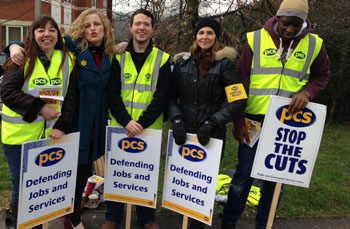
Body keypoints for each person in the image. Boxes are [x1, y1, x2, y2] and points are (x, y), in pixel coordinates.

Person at [221, 0, 331, 228]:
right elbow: (240, 82)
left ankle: (265, 224)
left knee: (275, 181)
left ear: (305, 22)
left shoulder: (315, 45)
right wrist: (238, 121)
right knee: (243, 175)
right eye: (286, 23)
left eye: (296, 24)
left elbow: (322, 76)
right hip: (253, 121)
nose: (290, 30)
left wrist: (307, 93)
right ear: (277, 18)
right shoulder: (255, 39)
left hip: (287, 125)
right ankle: (229, 223)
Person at [6, 9, 116, 229]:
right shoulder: (71, 48)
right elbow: (42, 38)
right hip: (70, 123)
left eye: (97, 24)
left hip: (92, 124)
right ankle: (39, 218)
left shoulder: (111, 55)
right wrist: (12, 45)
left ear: (105, 28)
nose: (92, 29)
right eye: (87, 25)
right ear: (80, 30)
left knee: (82, 173)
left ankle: (72, 213)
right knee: (50, 176)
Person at [169, 17, 247, 229]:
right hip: (183, 133)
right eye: (201, 32)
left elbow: (238, 99)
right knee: (184, 182)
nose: (205, 37)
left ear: (216, 37)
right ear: (195, 36)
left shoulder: (224, 66)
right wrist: (176, 119)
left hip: (211, 136)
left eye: (210, 33)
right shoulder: (182, 63)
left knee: (202, 184)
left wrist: (213, 122)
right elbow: (170, 96)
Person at [1, 15, 77, 229]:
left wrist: (62, 126)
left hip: (50, 137)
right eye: (41, 30)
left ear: (58, 35)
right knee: (22, 188)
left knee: (40, 188)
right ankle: (17, 224)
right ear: (33, 35)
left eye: (52, 30)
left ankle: (32, 224)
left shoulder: (67, 60)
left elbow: (71, 98)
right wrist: (40, 108)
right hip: (18, 139)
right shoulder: (21, 59)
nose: (47, 34)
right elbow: (6, 93)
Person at [106, 8, 172, 229]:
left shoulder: (162, 59)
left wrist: (140, 123)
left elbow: (162, 97)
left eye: (146, 24)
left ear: (153, 28)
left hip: (148, 129)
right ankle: (113, 217)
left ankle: (147, 219)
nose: (141, 28)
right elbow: (112, 94)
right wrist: (127, 121)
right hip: (120, 127)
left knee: (146, 176)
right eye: (137, 24)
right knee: (118, 172)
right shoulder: (118, 56)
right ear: (131, 27)